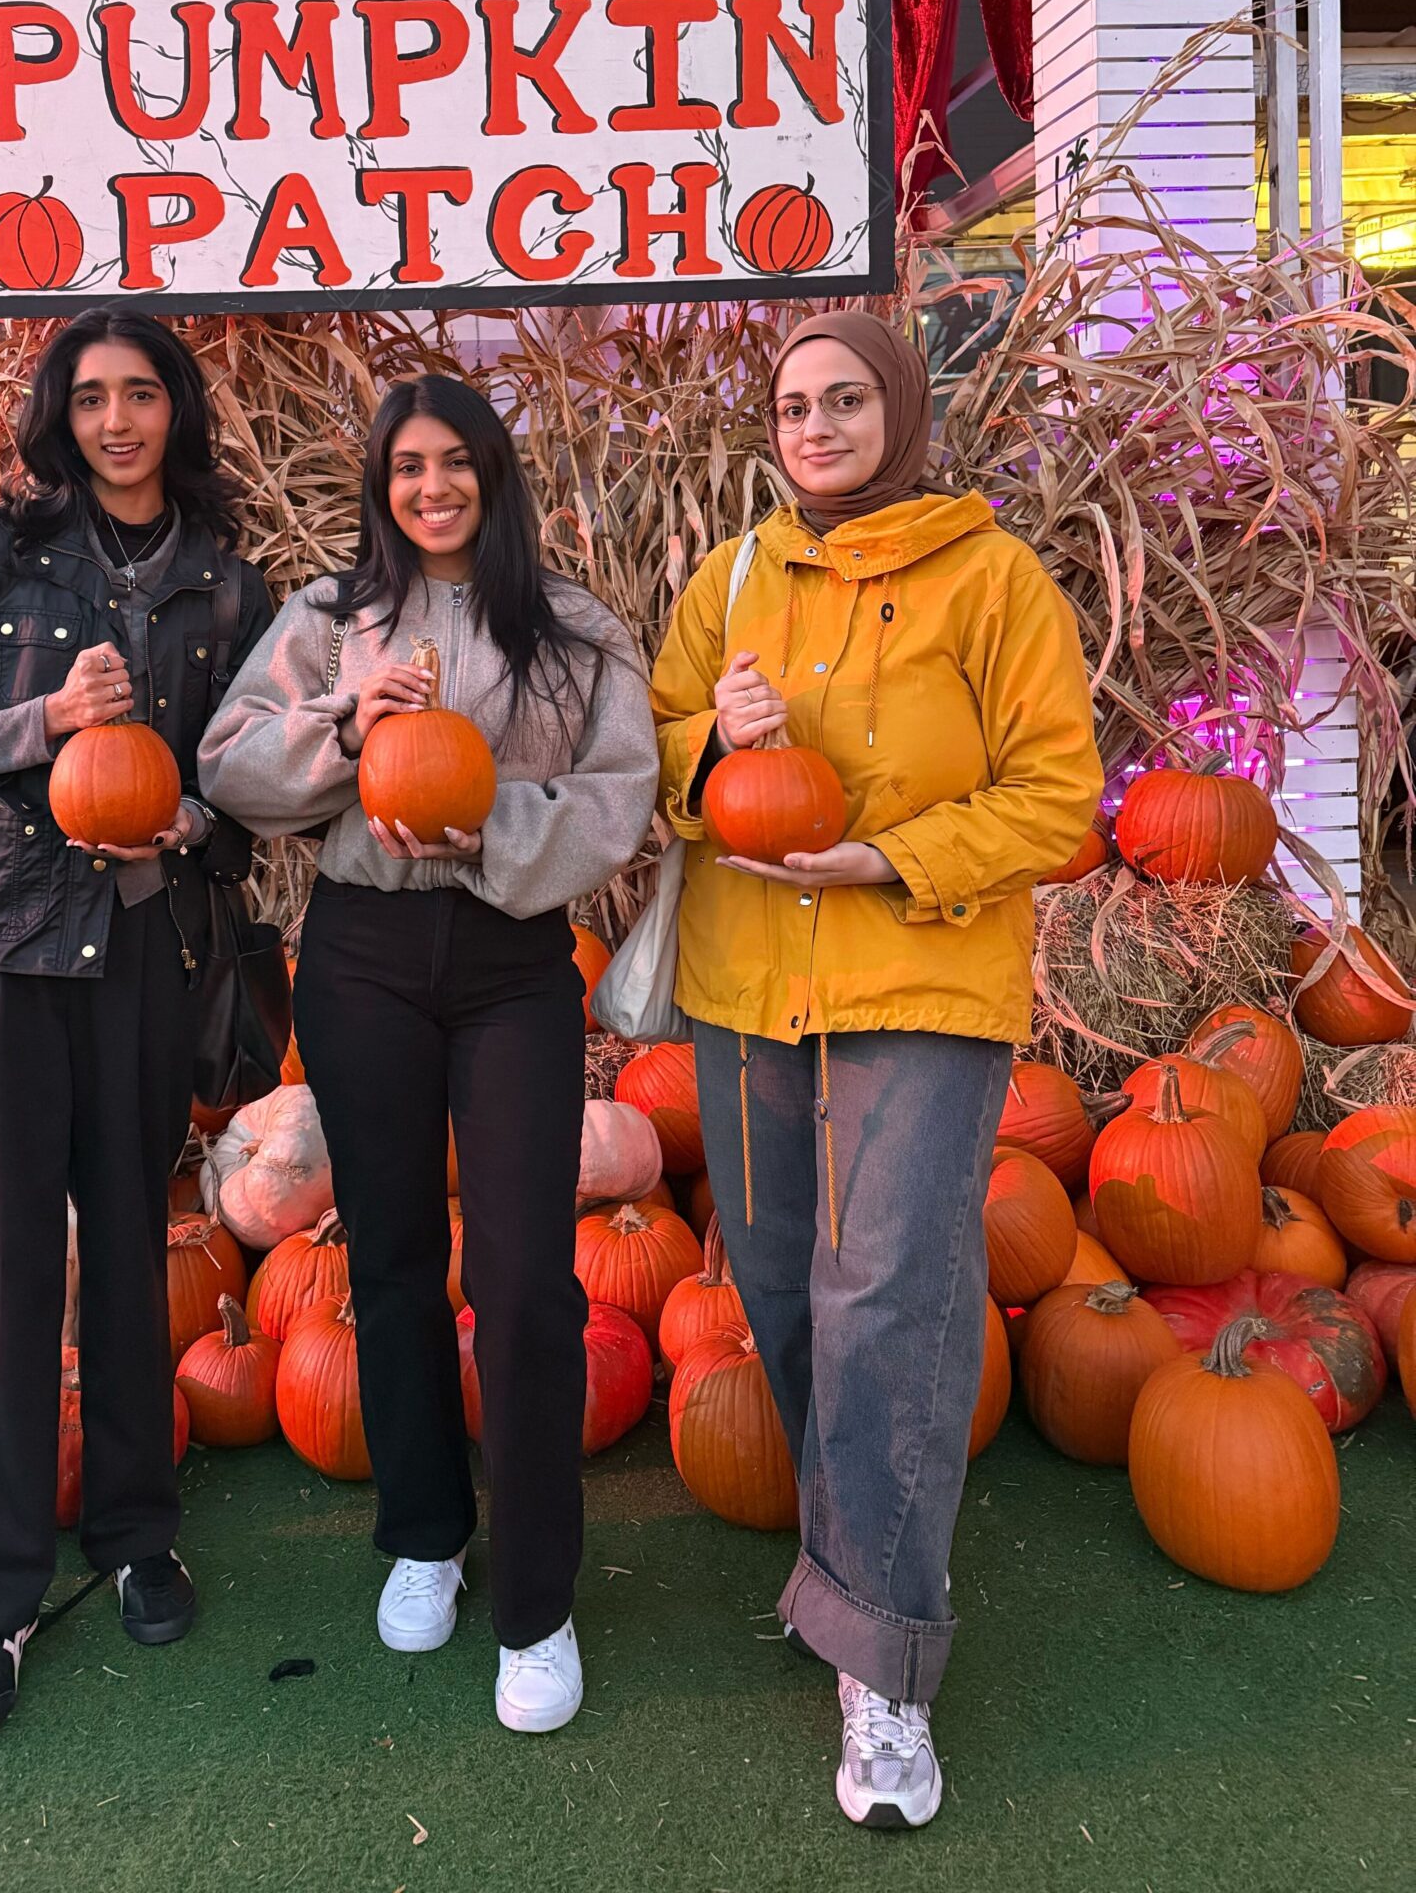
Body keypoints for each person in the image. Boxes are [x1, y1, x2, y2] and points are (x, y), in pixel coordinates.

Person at [650, 312, 1101, 1830]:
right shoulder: (732, 579)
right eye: (793, 405)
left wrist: (889, 855)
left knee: (891, 1302)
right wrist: (714, 741)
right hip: (748, 991)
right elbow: (659, 758)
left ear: (898, 411)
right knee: (780, 1290)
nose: (817, 425)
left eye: (846, 400)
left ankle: (888, 1668)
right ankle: (846, 1578)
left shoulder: (993, 580)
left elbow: (1057, 797)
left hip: (922, 978)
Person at [198, 375, 657, 1734]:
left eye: (457, 464)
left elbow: (620, 794)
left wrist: (491, 830)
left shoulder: (570, 628)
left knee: (524, 1279)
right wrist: (347, 721)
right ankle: (424, 1533)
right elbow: (230, 762)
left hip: (513, 958)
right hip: (363, 957)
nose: (433, 488)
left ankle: (538, 1601)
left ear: (493, 477)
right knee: (388, 1254)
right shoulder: (330, 621)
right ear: (381, 486)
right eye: (408, 467)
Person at [0, 304, 272, 1732]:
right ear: (62, 413)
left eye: (142, 394)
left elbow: (257, 795)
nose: (117, 420)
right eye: (92, 396)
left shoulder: (229, 588)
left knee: (131, 1242)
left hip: (142, 955)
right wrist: (40, 722)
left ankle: (134, 1533)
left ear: (177, 411)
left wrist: (182, 827)